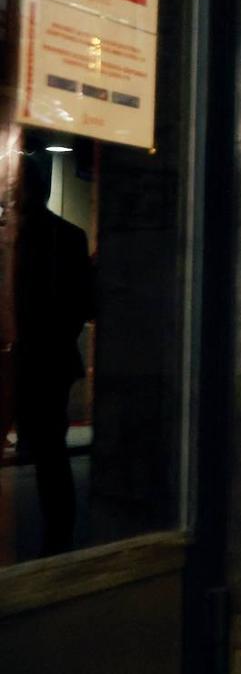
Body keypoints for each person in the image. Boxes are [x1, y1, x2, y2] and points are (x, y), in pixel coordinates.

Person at [13, 157, 94, 555]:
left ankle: (58, 536)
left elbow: (78, 302)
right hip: (46, 354)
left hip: (40, 355)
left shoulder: (41, 237)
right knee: (49, 452)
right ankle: (57, 535)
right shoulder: (66, 236)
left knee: (49, 452)